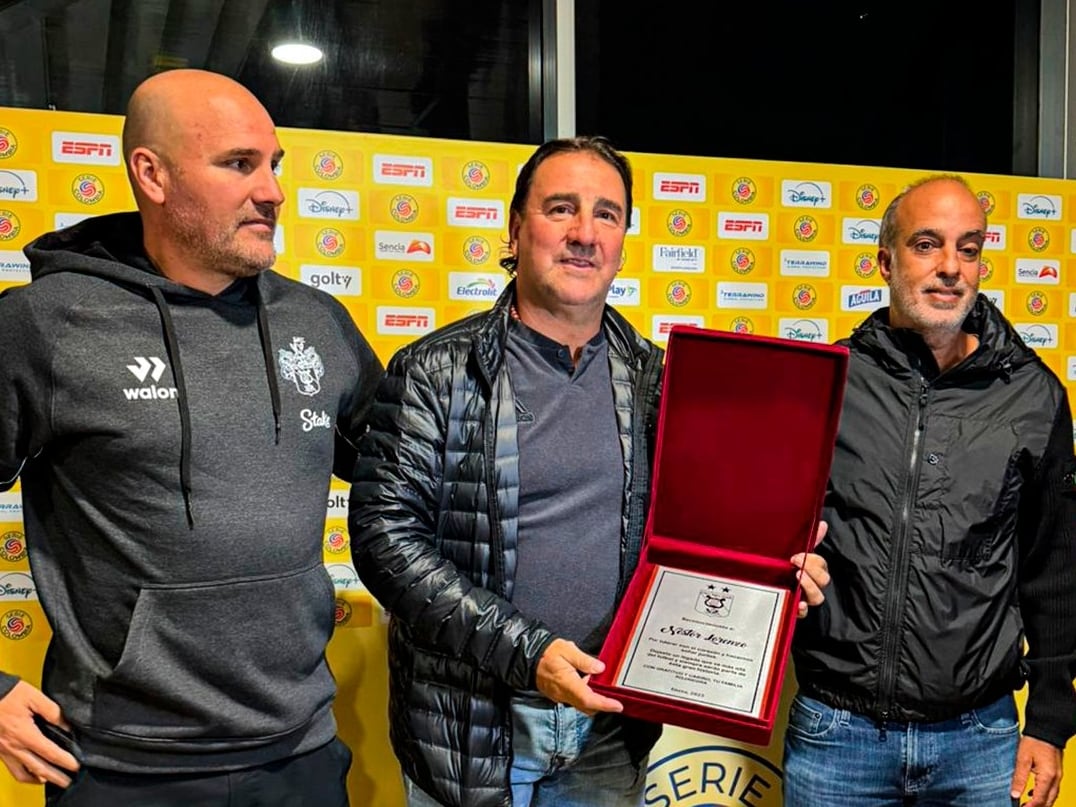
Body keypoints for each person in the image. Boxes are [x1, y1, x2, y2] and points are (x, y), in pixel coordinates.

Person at [349, 135, 831, 807]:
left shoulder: (658, 380)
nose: (584, 233)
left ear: (623, 238)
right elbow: (385, 540)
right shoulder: (435, 370)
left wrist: (776, 579)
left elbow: (703, 535)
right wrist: (530, 652)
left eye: (607, 213)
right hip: (475, 725)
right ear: (515, 228)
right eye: (561, 209)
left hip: (610, 724)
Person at [0, 69, 383, 806]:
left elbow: (413, 478)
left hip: (298, 757)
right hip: (120, 770)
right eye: (239, 164)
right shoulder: (45, 326)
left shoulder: (318, 323)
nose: (271, 190)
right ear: (153, 174)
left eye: (275, 166)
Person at [786, 175, 1076, 807]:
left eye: (968, 249)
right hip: (838, 735)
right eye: (927, 244)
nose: (951, 268)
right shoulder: (827, 383)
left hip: (981, 739)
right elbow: (771, 534)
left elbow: (1053, 569)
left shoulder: (1034, 397)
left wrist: (1051, 722)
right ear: (885, 262)